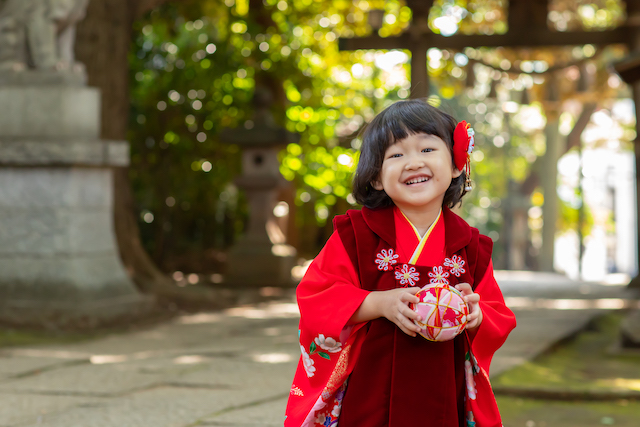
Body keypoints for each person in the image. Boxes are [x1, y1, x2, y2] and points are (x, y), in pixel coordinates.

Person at [285, 99, 516, 427]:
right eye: (396, 155)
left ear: (455, 165)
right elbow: (317, 293)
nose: (412, 163)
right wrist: (378, 302)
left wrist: (475, 314)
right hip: (369, 388)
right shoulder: (356, 236)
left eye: (426, 150)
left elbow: (497, 313)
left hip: (441, 389)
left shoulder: (471, 247)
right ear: (376, 177)